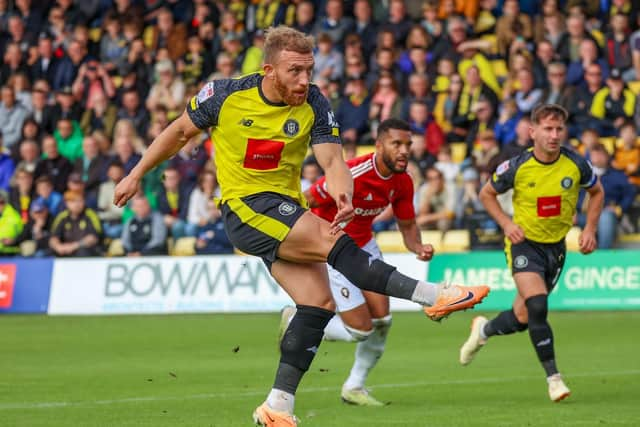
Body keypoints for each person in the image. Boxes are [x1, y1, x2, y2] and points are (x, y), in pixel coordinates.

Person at [113, 27, 488, 426]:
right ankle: (433, 294)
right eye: (295, 71)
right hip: (246, 208)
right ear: (269, 70)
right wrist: (136, 174)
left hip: (286, 208)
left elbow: (332, 161)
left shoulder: (313, 100)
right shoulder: (224, 94)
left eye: (308, 70)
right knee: (334, 242)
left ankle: (277, 406)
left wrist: (344, 193)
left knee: (318, 305)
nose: (304, 80)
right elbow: (178, 132)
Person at [281, 118, 436, 406]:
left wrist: (418, 246)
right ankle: (295, 319)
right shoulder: (352, 173)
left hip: (364, 246)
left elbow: (407, 224)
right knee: (360, 330)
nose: (404, 151)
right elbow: (306, 200)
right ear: (379, 145)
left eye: (408, 145)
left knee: (382, 321)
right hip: (332, 249)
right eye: (396, 144)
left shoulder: (402, 181)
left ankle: (354, 386)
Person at [459, 104, 604, 402]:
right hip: (524, 243)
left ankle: (483, 330)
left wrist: (590, 228)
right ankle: (554, 379)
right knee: (537, 305)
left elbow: (597, 191)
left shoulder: (575, 163)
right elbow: (487, 194)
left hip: (556, 247)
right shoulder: (517, 166)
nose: (554, 135)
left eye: (558, 129)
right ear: (532, 132)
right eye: (548, 129)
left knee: (523, 316)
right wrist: (506, 223)